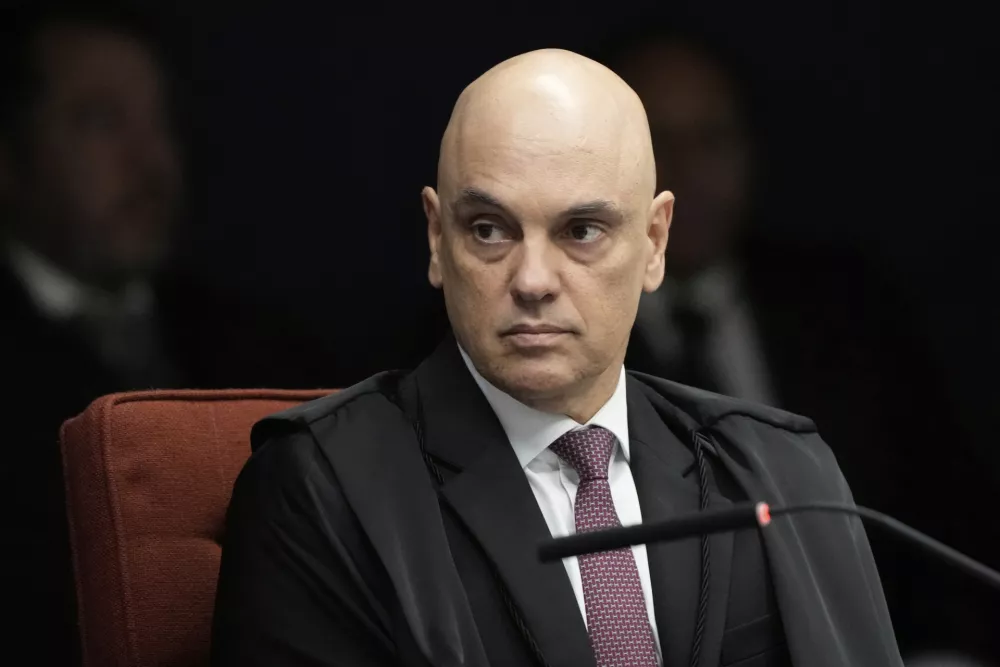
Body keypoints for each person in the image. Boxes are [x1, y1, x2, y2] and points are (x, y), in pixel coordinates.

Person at [212, 48, 901, 667]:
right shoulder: (327, 487)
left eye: (581, 230)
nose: (533, 279)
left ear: (655, 241)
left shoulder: (777, 470)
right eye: (489, 229)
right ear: (435, 237)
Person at [601, 30, 1000, 663]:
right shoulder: (560, 337)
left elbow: (948, 514)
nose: (687, 170)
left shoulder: (850, 309)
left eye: (712, 139)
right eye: (657, 143)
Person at [0, 3, 335, 663]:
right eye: (100, 121)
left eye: (161, 123)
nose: (151, 161)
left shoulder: (261, 346)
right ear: (9, 158)